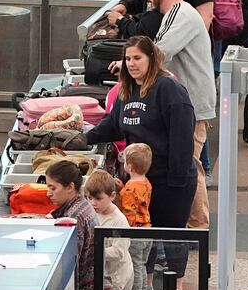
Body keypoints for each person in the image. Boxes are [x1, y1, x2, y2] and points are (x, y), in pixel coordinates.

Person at [84, 38, 196, 265]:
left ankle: (177, 289)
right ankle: (146, 289)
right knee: (144, 239)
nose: (132, 64)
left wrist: (176, 181)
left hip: (170, 180)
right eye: (127, 59)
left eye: (137, 58)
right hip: (139, 180)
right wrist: (82, 138)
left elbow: (183, 140)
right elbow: (113, 125)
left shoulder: (169, 90)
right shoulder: (127, 90)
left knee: (173, 237)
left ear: (152, 58)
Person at [145, 0, 215, 231]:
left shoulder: (181, 13)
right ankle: (191, 224)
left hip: (193, 106)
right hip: (187, 104)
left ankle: (198, 228)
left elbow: (160, 51)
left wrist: (129, 63)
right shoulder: (174, 15)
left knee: (190, 166)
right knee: (186, 164)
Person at [43, 160, 97, 290]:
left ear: (70, 187)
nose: (48, 193)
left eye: (53, 188)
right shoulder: (80, 204)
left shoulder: (74, 218)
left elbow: (68, 266)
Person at [83, 170, 134, 290]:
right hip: (102, 277)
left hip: (118, 278)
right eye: (89, 198)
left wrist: (93, 250)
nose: (92, 203)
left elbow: (119, 252)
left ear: (112, 196)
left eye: (98, 199)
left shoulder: (119, 220)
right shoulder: (91, 212)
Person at [120, 144, 153, 290]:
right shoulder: (146, 182)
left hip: (136, 233)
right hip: (147, 229)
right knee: (143, 263)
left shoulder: (130, 189)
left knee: (135, 265)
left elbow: (129, 212)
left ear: (130, 167)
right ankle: (146, 289)